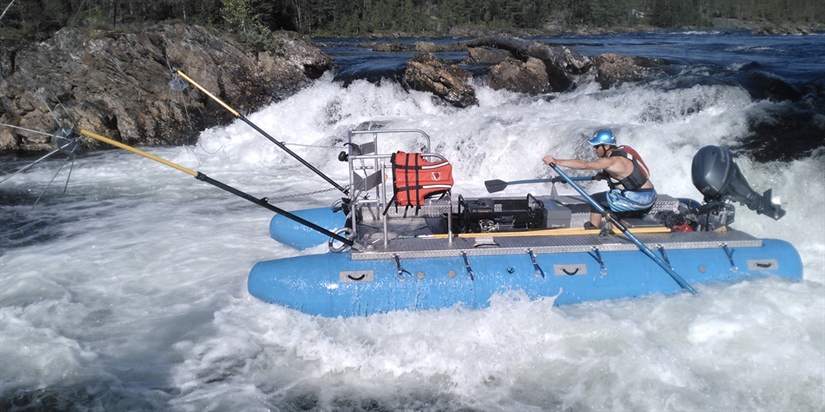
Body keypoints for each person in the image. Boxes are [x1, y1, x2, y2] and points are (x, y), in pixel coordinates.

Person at [542, 129, 656, 229]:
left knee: (596, 199)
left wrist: (556, 161)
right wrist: (606, 175)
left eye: (597, 146)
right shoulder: (623, 154)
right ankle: (615, 226)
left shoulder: (612, 161)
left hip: (637, 200)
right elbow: (627, 175)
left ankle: (593, 229)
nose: (594, 149)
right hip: (649, 198)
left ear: (606, 146)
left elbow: (585, 164)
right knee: (610, 200)